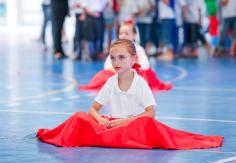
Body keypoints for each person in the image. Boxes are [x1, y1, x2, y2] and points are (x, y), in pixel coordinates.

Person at [37, 39, 223, 149]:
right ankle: (100, 136)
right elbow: (93, 109)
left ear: (133, 58)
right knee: (79, 117)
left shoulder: (140, 82)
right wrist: (99, 118)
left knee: (145, 122)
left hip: (130, 125)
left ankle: (112, 137)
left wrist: (126, 121)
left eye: (121, 57)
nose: (116, 62)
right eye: (113, 58)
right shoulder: (110, 81)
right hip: (110, 124)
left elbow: (150, 113)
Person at [79, 22, 172, 91]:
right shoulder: (115, 47)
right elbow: (107, 63)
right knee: (104, 75)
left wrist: (131, 68)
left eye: (126, 34)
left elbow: (145, 64)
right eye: (121, 33)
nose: (123, 36)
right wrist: (114, 68)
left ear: (134, 35)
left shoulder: (138, 49)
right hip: (118, 72)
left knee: (143, 76)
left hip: (133, 72)